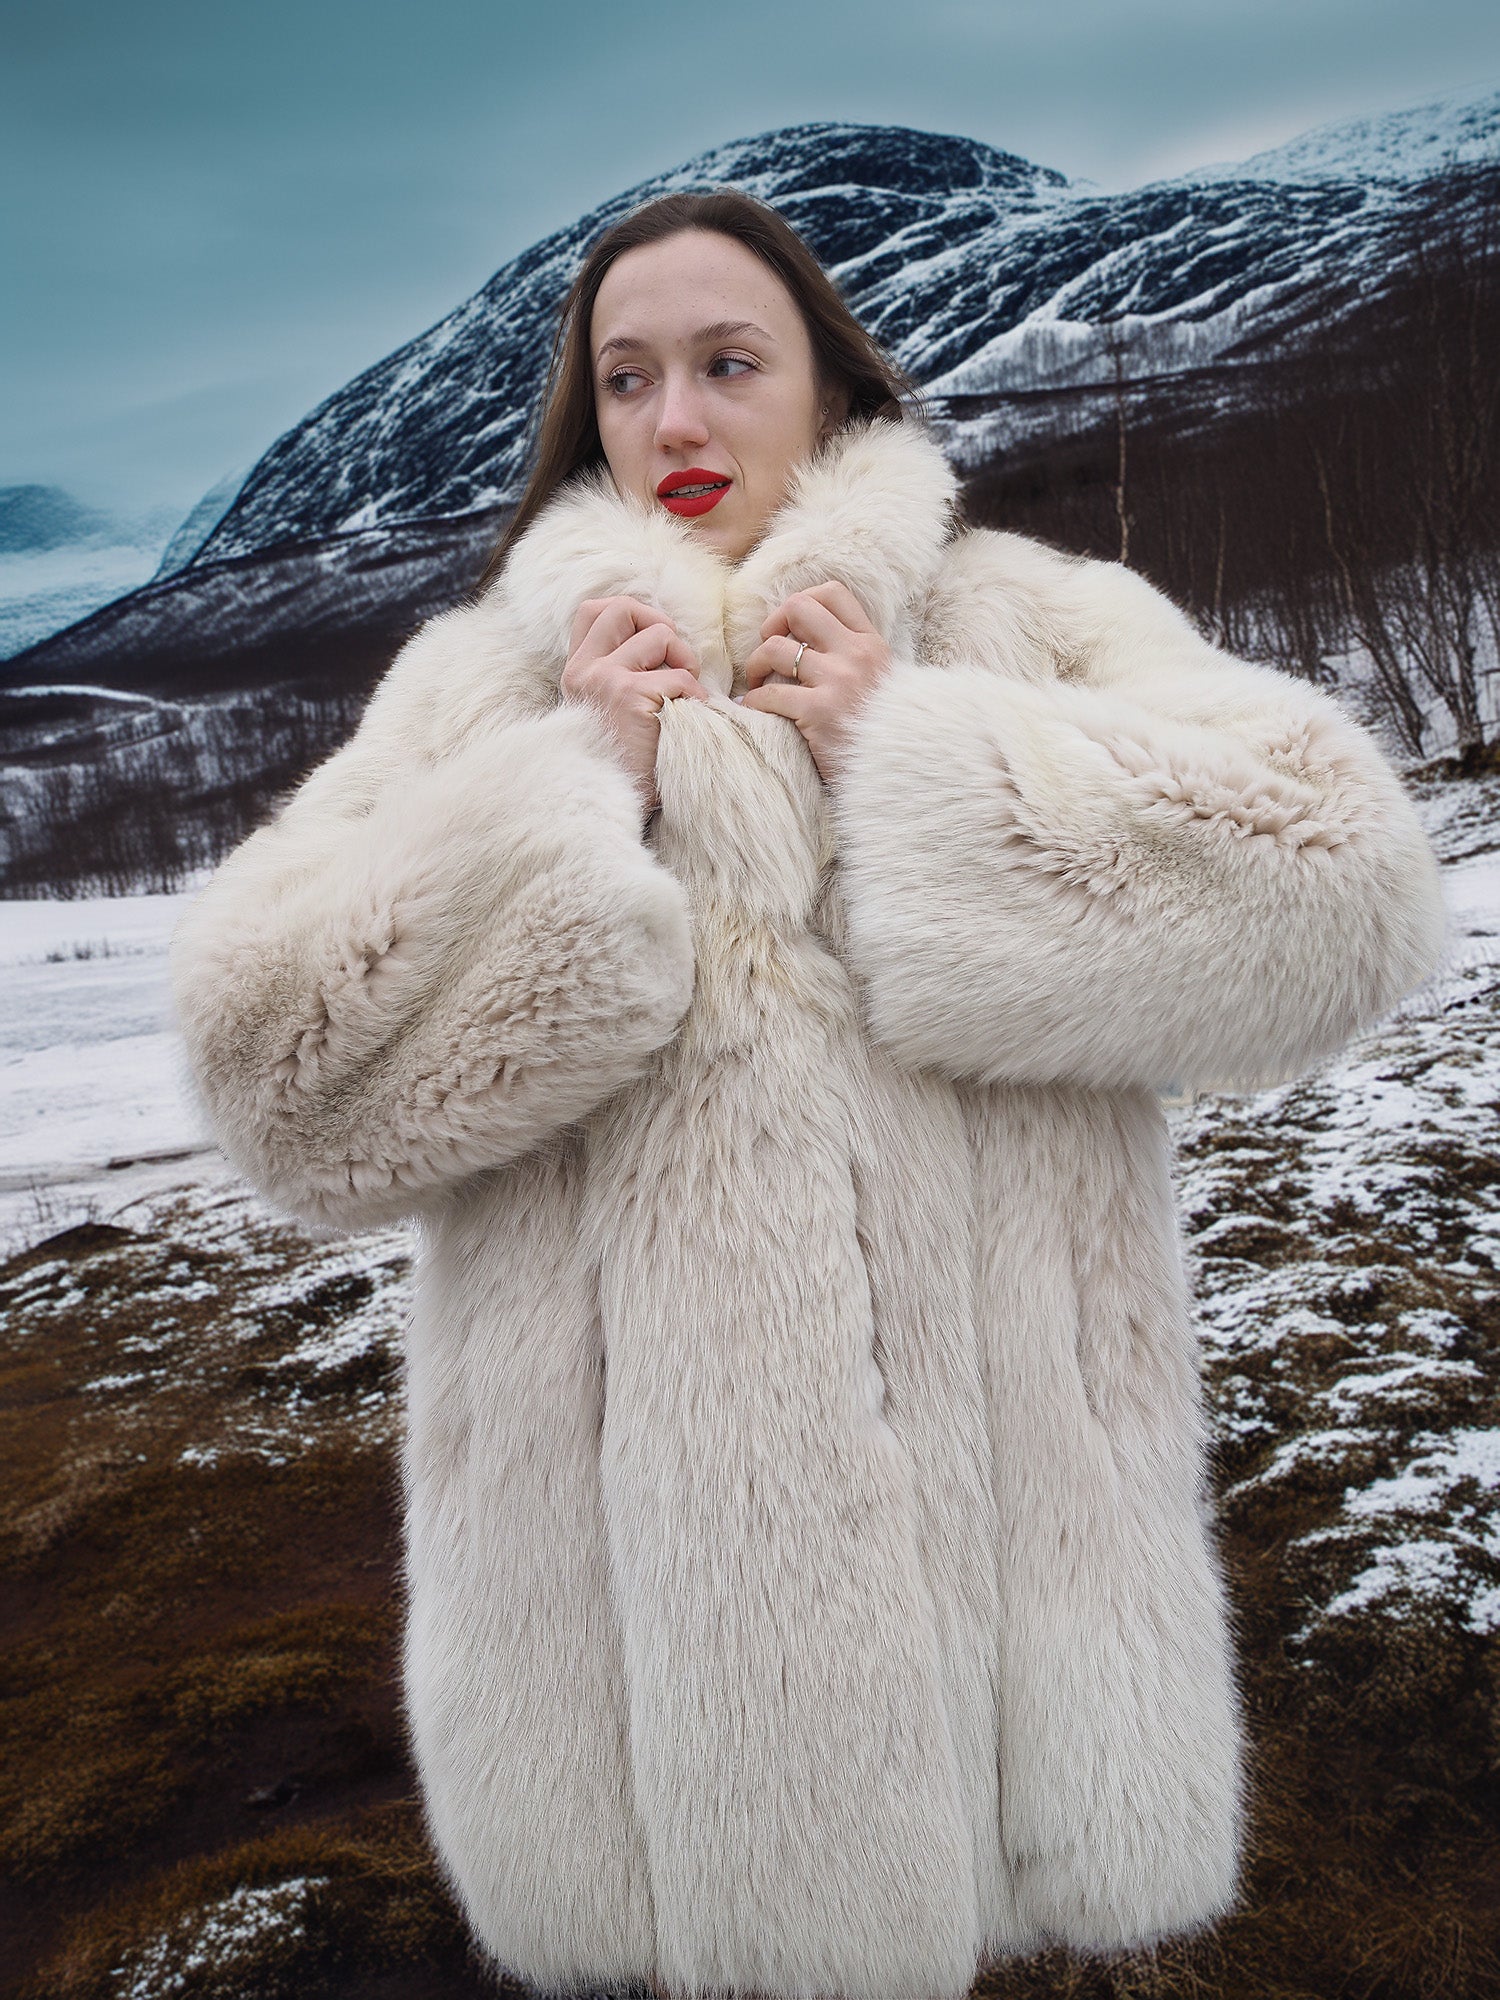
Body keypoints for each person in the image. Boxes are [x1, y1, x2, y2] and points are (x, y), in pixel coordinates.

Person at [170, 190, 1447, 2000]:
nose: (675, 423)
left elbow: (1346, 889)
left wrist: (912, 751)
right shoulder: (483, 692)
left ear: (829, 391)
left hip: (1012, 1589)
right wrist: (562, 794)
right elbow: (279, 1076)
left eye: (724, 364)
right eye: (626, 380)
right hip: (625, 1646)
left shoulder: (1022, 621)